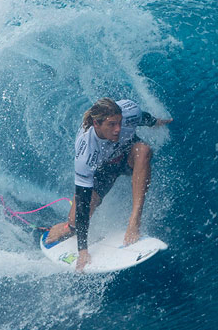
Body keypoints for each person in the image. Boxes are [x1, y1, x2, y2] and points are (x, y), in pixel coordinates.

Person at [42, 97, 172, 271]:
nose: (118, 129)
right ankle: (67, 227)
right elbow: (83, 201)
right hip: (102, 172)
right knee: (75, 221)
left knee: (143, 150)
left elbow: (143, 118)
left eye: (119, 122)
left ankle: (134, 220)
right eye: (111, 124)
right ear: (96, 124)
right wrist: (83, 250)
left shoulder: (128, 112)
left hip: (127, 157)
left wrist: (157, 122)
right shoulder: (86, 153)